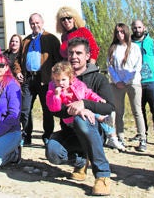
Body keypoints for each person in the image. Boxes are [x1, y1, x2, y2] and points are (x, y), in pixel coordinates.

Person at [45, 37, 115, 196]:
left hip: (93, 130)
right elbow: (54, 109)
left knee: (82, 119)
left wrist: (84, 104)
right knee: (53, 151)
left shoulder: (98, 78)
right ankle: (82, 161)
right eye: (70, 53)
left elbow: (109, 106)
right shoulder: (58, 79)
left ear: (88, 55)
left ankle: (102, 175)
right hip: (71, 132)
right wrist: (74, 109)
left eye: (78, 53)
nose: (74, 56)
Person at [46, 61, 124, 152]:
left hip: (85, 112)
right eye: (57, 80)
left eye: (63, 80)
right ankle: (104, 123)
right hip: (71, 119)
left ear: (70, 78)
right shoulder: (53, 91)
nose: (60, 83)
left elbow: (88, 93)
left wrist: (98, 99)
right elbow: (55, 109)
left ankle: (111, 136)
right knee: (88, 117)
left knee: (93, 113)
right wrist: (56, 96)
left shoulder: (78, 85)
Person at [16, 13, 61, 146]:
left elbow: (58, 60)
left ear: (42, 22)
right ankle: (26, 135)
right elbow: (18, 60)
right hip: (28, 78)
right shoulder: (26, 41)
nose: (35, 25)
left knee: (47, 109)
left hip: (45, 79)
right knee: (25, 108)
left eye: (37, 22)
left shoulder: (51, 39)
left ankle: (47, 136)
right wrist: (18, 71)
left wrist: (56, 78)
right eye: (32, 23)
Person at [107, 23, 146, 152]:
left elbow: (137, 65)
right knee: (119, 111)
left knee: (137, 110)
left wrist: (127, 80)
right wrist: (117, 81)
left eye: (122, 32)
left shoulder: (134, 47)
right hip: (117, 84)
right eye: (117, 32)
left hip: (133, 82)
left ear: (126, 32)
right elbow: (110, 66)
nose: (119, 34)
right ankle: (120, 136)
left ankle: (142, 138)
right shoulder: (113, 48)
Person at [131, 19, 154, 147]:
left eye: (139, 27)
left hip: (151, 80)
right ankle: (142, 134)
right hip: (136, 82)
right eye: (134, 28)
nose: (137, 30)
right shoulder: (130, 44)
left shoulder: (151, 42)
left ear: (144, 28)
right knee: (139, 110)